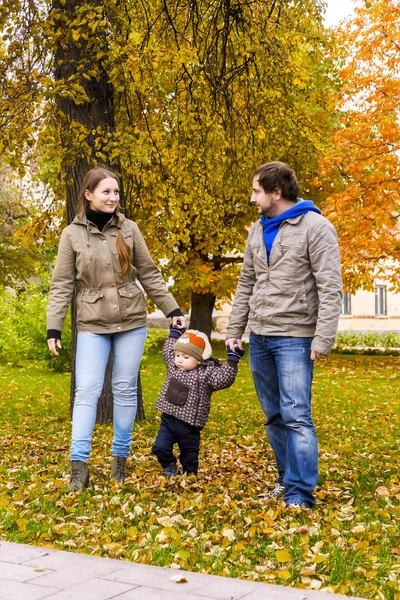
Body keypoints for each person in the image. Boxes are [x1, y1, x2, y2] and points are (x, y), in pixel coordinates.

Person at [47, 166, 186, 490]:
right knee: (87, 392)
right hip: (92, 324)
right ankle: (79, 468)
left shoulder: (129, 229)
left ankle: (118, 462)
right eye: (106, 191)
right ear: (89, 194)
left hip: (131, 321)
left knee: (125, 390)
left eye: (116, 192)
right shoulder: (72, 235)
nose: (112, 197)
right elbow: (61, 285)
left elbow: (149, 274)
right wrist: (54, 327)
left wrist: (172, 309)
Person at [226, 161, 342, 509]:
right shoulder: (255, 231)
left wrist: (323, 339)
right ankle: (286, 479)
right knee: (274, 416)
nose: (252, 198)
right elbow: (247, 282)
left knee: (296, 416)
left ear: (277, 192)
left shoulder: (316, 228)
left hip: (295, 336)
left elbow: (330, 287)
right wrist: (235, 330)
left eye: (256, 191)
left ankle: (300, 494)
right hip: (260, 336)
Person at [152, 327, 245, 476]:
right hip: (168, 420)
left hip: (190, 426)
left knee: (190, 456)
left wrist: (233, 361)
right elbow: (167, 351)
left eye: (186, 357)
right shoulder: (173, 367)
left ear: (198, 359)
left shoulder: (206, 374)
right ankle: (169, 464)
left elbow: (224, 380)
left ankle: (189, 477)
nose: (179, 359)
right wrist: (174, 333)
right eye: (178, 355)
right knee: (160, 447)